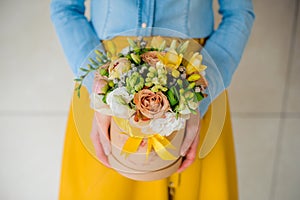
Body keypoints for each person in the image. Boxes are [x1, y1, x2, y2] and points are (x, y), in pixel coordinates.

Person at [50, 0, 255, 199]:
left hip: (193, 86)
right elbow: (65, 7)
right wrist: (103, 93)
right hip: (108, 98)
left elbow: (239, 13)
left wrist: (197, 97)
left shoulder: (196, 96)